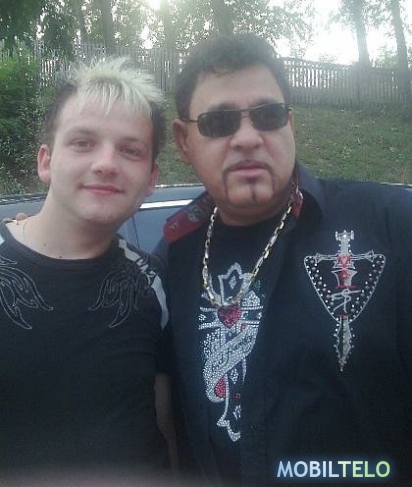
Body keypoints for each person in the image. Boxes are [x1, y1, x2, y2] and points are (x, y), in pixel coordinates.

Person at [156, 33, 412, 486]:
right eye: (219, 122)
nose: (247, 138)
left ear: (289, 124)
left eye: (268, 115)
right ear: (184, 140)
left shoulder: (391, 227)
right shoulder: (173, 257)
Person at [0, 57, 173, 477]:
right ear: (46, 161)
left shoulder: (154, 284)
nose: (106, 163)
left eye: (130, 150)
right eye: (82, 142)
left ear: (151, 179)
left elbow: (168, 429)